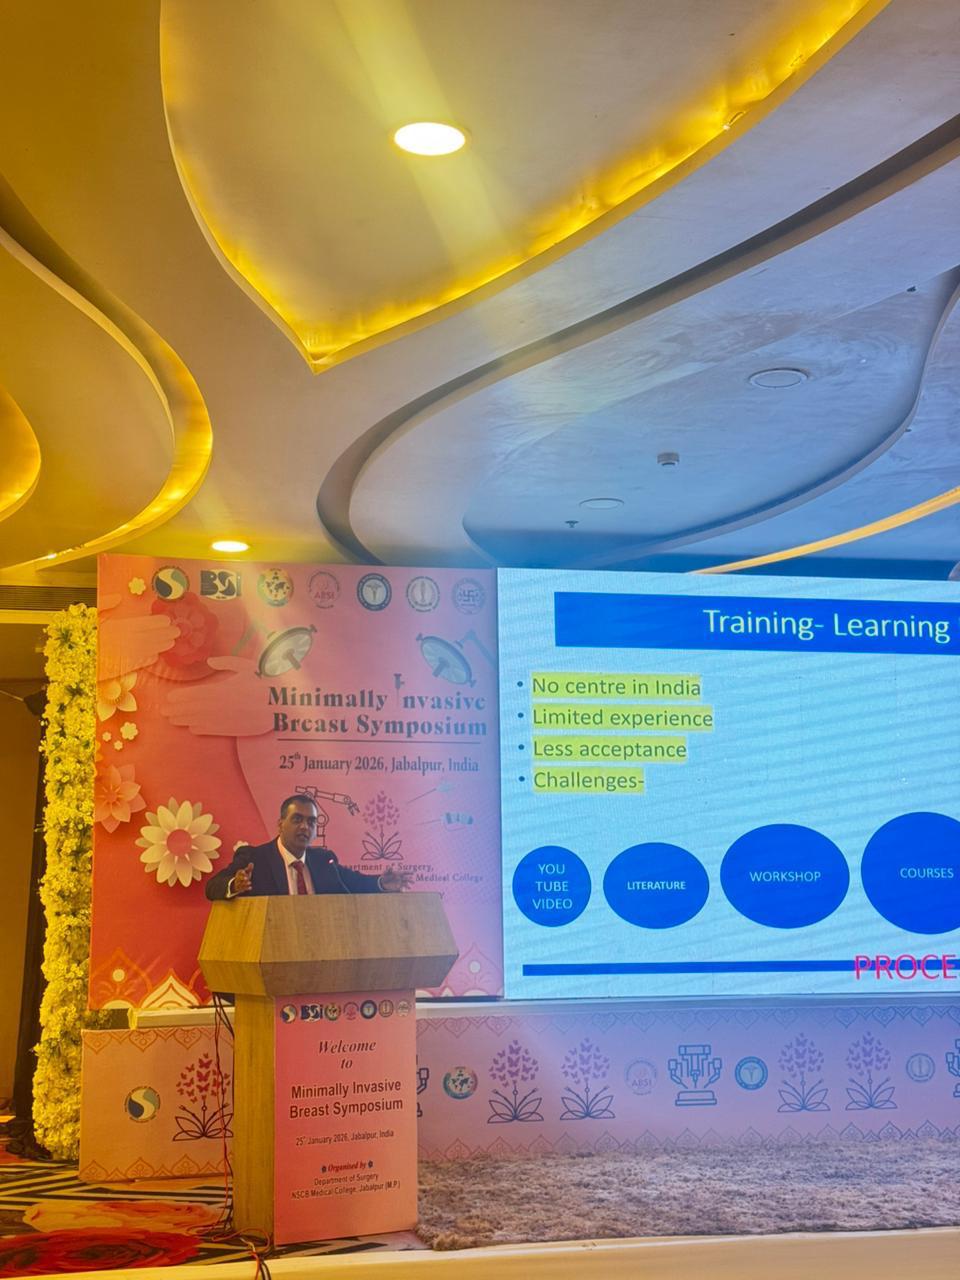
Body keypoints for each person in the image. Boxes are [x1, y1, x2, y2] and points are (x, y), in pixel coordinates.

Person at [205, 794, 411, 899]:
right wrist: (235, 884)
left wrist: (382, 883)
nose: (305, 826)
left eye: (311, 822)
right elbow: (212, 887)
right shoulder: (254, 858)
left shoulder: (323, 860)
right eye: (297, 819)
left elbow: (354, 882)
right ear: (280, 824)